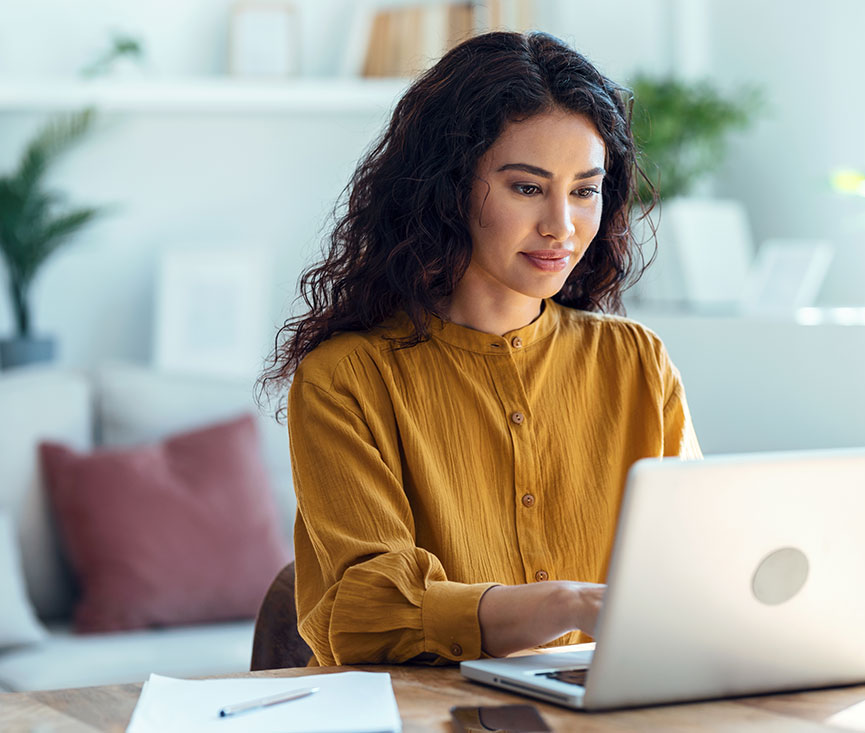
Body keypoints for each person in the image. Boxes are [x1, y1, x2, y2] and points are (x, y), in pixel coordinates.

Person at [257, 30, 701, 667]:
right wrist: (563, 606)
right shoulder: (346, 378)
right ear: (448, 187)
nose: (561, 225)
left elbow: (696, 562)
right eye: (527, 187)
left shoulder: (637, 361)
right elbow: (365, 612)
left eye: (584, 190)